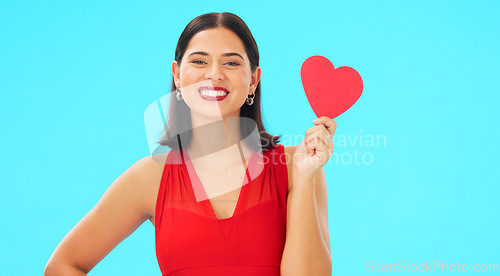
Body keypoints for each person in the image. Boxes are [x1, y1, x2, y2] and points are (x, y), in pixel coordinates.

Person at [44, 12, 336, 276]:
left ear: (252, 80)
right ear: (177, 75)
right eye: (199, 61)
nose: (214, 74)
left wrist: (305, 176)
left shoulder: (295, 165)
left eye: (231, 62)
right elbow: (63, 266)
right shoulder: (149, 178)